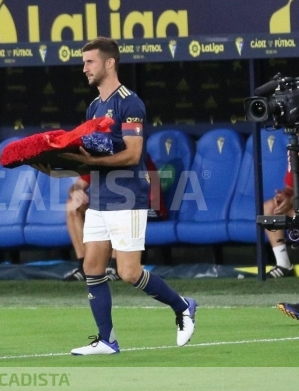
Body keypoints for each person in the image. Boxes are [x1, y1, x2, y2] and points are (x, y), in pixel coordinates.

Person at [40, 37, 197, 355]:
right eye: (84, 62)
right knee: (93, 269)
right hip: (99, 198)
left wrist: (89, 162)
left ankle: (182, 305)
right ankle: (106, 340)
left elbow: (132, 154)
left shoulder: (130, 103)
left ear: (110, 63)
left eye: (90, 62)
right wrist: (55, 166)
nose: (84, 68)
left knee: (128, 272)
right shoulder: (94, 107)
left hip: (127, 198)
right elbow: (89, 154)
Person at [262, 132, 299, 278]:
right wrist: (284, 196)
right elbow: (290, 186)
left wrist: (296, 201)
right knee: (270, 208)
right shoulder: (295, 147)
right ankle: (283, 264)